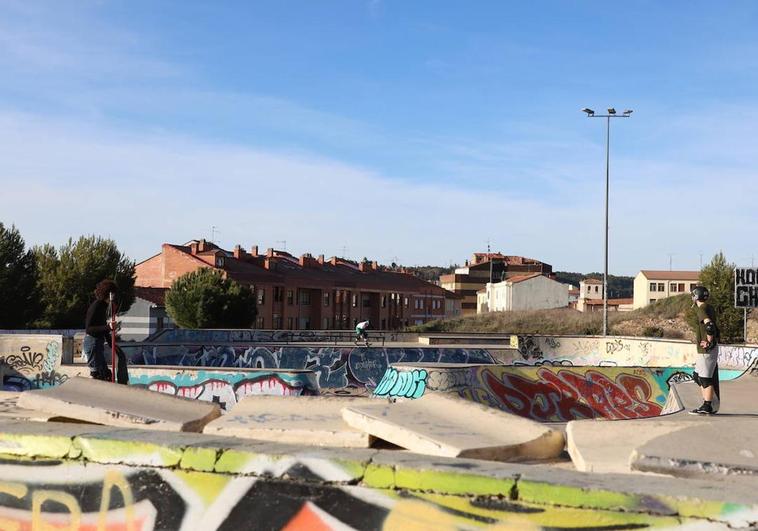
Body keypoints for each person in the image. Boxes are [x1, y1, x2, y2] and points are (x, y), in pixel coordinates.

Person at [83, 279, 128, 384]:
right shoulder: (97, 306)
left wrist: (112, 344)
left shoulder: (103, 306)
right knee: (98, 375)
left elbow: (104, 329)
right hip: (92, 342)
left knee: (106, 375)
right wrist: (108, 327)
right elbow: (89, 329)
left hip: (97, 343)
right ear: (108, 294)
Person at [689, 285, 720, 415]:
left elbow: (709, 326)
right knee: (697, 376)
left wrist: (708, 341)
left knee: (705, 379)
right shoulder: (709, 307)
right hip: (705, 351)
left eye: (692, 295)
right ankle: (708, 401)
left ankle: (707, 405)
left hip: (706, 351)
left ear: (696, 296)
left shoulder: (702, 309)